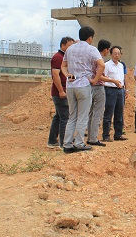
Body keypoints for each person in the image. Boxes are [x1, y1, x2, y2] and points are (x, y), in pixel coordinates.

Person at [61, 26, 105, 154]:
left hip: (71, 85)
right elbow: (101, 64)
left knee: (72, 116)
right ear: (90, 38)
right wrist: (95, 79)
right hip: (84, 85)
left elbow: (63, 66)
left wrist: (67, 75)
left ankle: (67, 144)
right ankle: (79, 143)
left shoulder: (70, 49)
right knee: (83, 116)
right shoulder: (91, 49)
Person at [47, 36, 75, 148]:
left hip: (64, 90)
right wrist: (61, 91)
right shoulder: (58, 58)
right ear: (63, 45)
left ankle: (52, 140)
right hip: (60, 92)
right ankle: (64, 143)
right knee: (65, 117)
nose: (71, 48)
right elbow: (55, 75)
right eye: (69, 46)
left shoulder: (64, 57)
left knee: (58, 116)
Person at [86, 39, 111, 147]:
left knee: (90, 113)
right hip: (98, 87)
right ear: (106, 49)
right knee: (97, 113)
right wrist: (112, 80)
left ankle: (90, 137)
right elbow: (99, 75)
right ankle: (93, 138)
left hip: (89, 87)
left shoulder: (91, 57)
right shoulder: (99, 59)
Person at [102, 46, 127, 142]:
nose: (117, 55)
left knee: (119, 113)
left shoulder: (121, 65)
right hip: (110, 90)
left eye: (118, 53)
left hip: (120, 90)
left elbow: (123, 78)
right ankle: (106, 135)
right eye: (115, 53)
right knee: (108, 113)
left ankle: (118, 134)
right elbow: (103, 77)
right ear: (111, 54)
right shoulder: (107, 65)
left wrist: (125, 89)